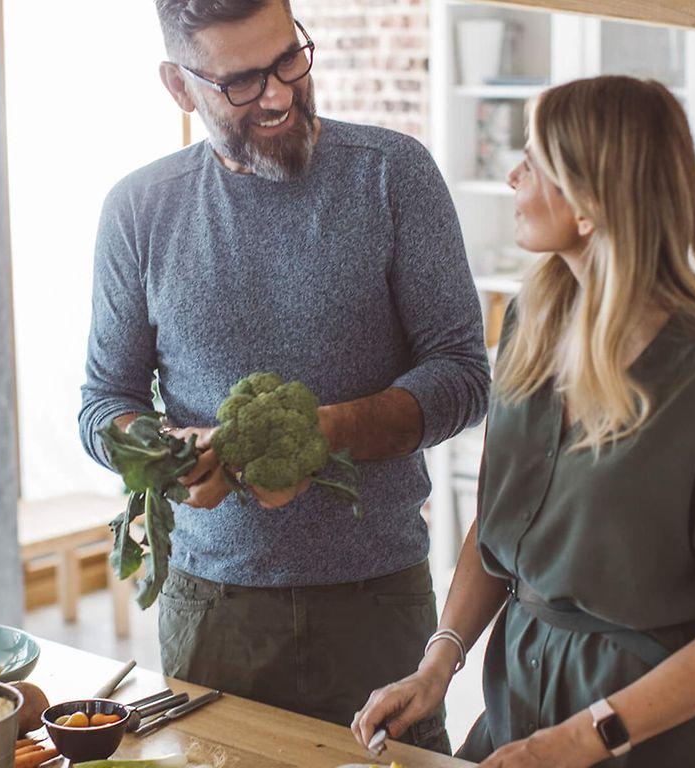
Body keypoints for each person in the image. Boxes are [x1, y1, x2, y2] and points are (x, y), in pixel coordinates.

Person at [78, 0, 489, 752]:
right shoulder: (140, 210)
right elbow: (104, 402)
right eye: (239, 81)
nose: (277, 93)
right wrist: (168, 456)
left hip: (379, 601)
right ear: (178, 85)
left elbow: (464, 376)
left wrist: (323, 436)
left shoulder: (395, 176)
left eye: (288, 60)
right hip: (214, 610)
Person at [352, 74, 695, 767]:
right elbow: (495, 523)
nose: (511, 173)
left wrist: (587, 735)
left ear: (590, 201)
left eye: (534, 161)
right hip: (521, 709)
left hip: (662, 737)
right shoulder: (527, 324)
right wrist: (438, 664)